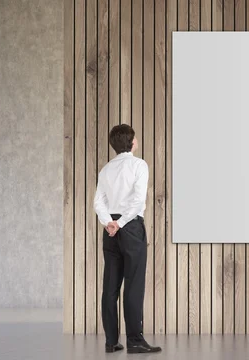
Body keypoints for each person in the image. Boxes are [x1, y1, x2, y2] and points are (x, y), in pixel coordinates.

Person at [94, 124, 161, 354]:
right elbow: (138, 201)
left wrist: (109, 223)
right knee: (133, 285)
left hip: (110, 230)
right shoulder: (139, 165)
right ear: (132, 142)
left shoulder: (105, 169)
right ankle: (134, 340)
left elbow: (98, 202)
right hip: (130, 227)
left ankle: (111, 341)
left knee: (110, 286)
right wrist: (120, 224)